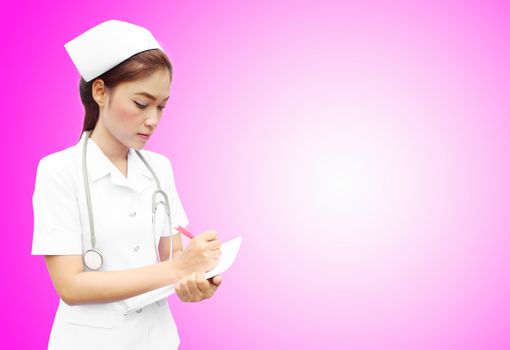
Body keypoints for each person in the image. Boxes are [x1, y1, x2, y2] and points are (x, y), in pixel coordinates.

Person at [31, 19, 223, 350]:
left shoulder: (160, 168)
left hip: (157, 339)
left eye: (161, 107)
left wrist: (195, 279)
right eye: (141, 103)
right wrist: (177, 269)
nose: (153, 120)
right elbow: (71, 286)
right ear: (100, 92)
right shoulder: (58, 171)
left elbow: (172, 255)